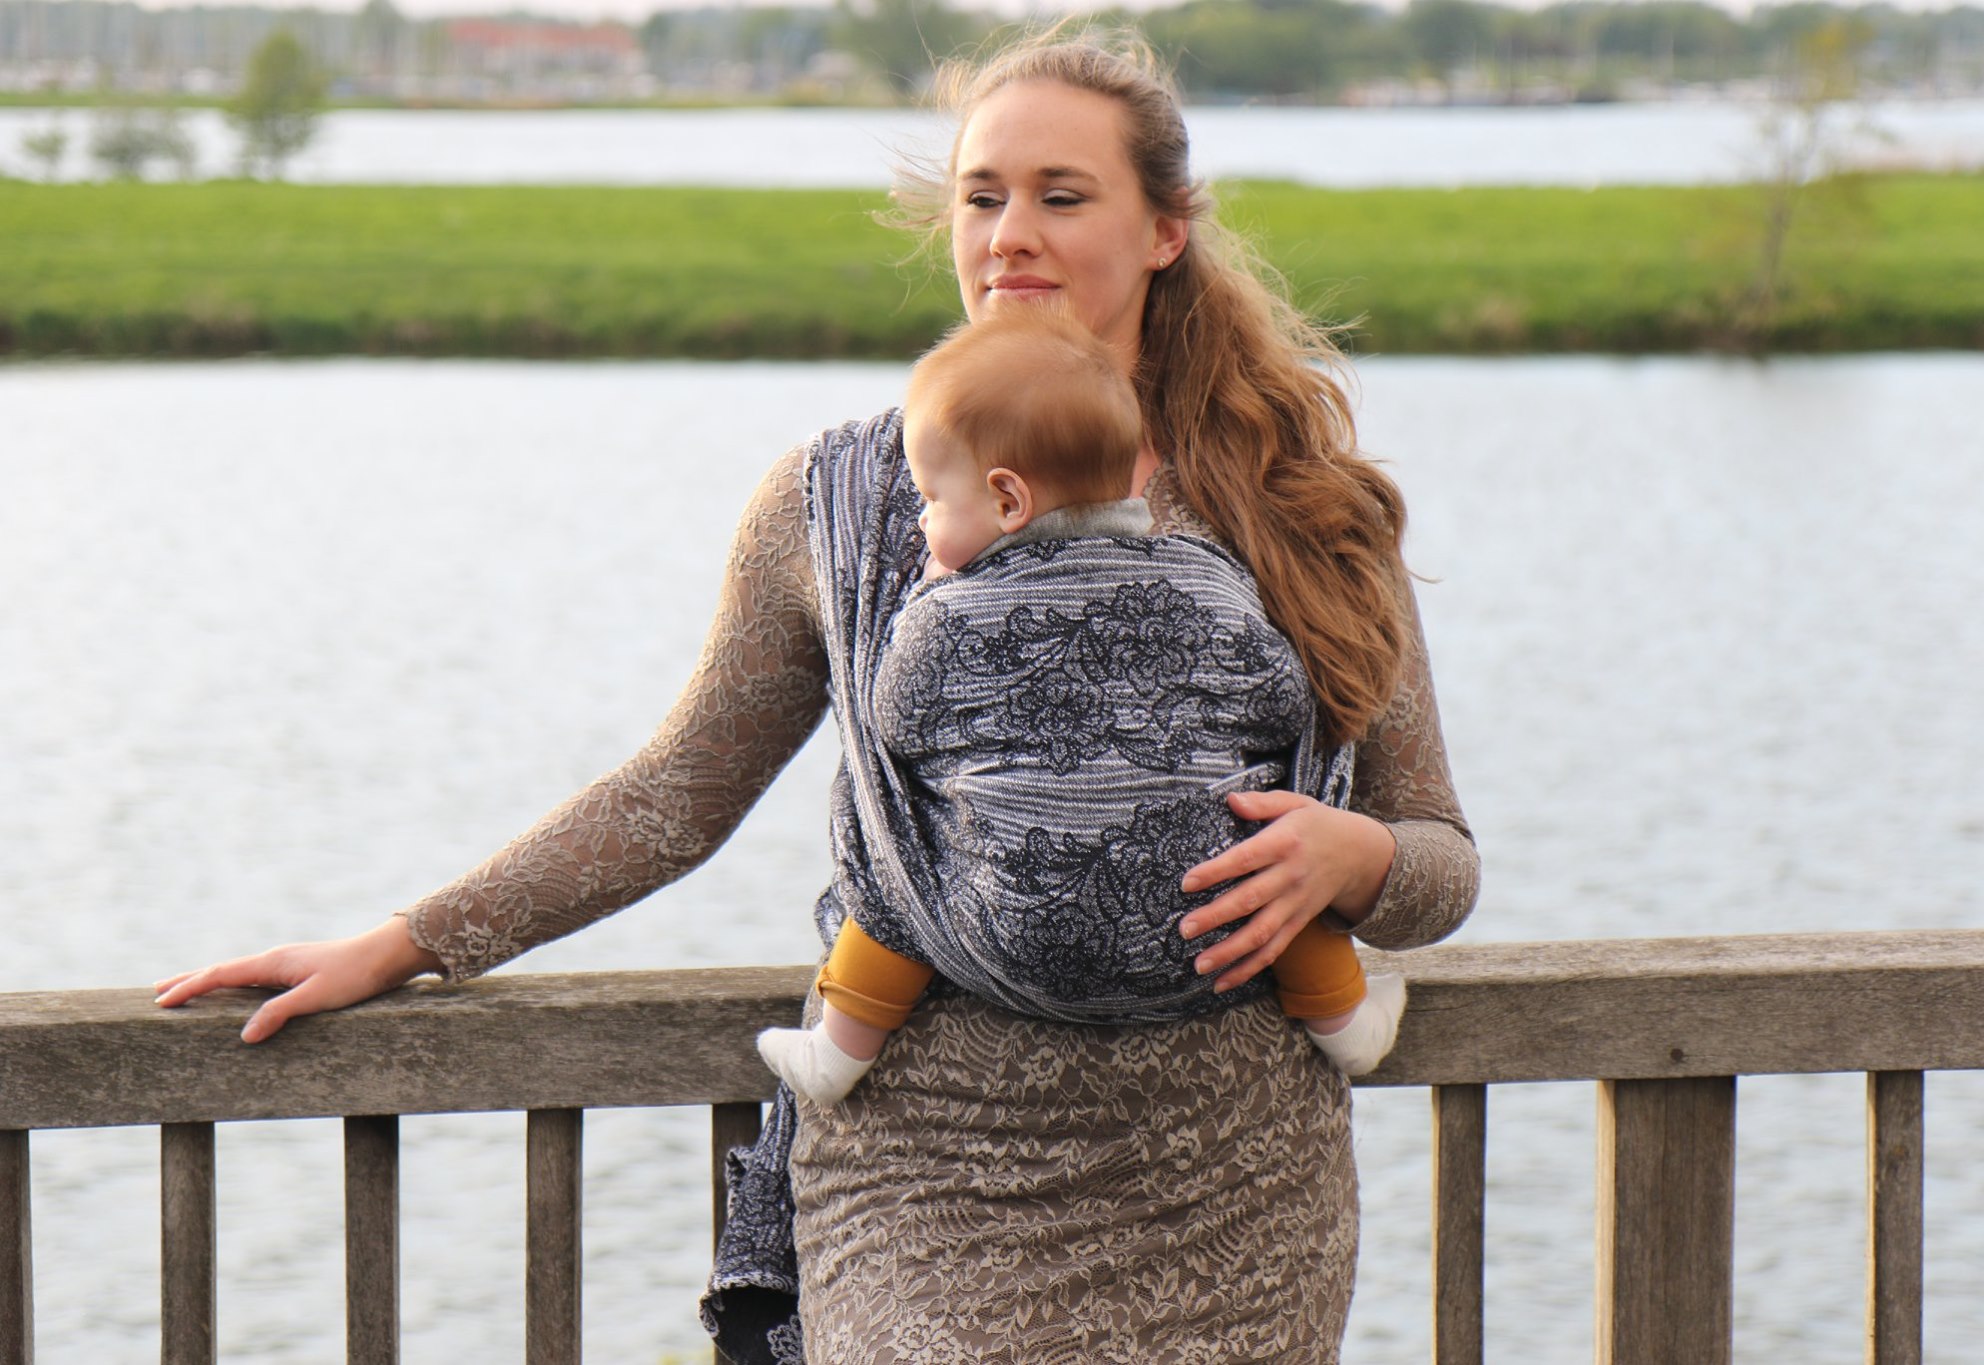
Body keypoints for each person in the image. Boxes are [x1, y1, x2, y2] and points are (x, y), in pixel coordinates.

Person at [154, 25, 1478, 1362]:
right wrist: (403, 943)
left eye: (1062, 197)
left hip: (1233, 1194)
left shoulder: (1304, 507)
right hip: (925, 1177)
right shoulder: (838, 503)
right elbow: (677, 795)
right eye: (981, 196)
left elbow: (1440, 861)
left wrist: (1355, 860)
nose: (1010, 235)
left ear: (1164, 232)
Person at [757, 308, 1406, 1108]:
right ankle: (1345, 1022)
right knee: (1270, 835)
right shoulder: (1206, 578)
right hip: (1206, 930)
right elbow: (1278, 698)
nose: (921, 519)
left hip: (1005, 927)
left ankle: (840, 1047)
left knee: (895, 854)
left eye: (931, 498)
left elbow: (892, 719)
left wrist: (925, 603)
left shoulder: (945, 615)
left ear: (1008, 499)